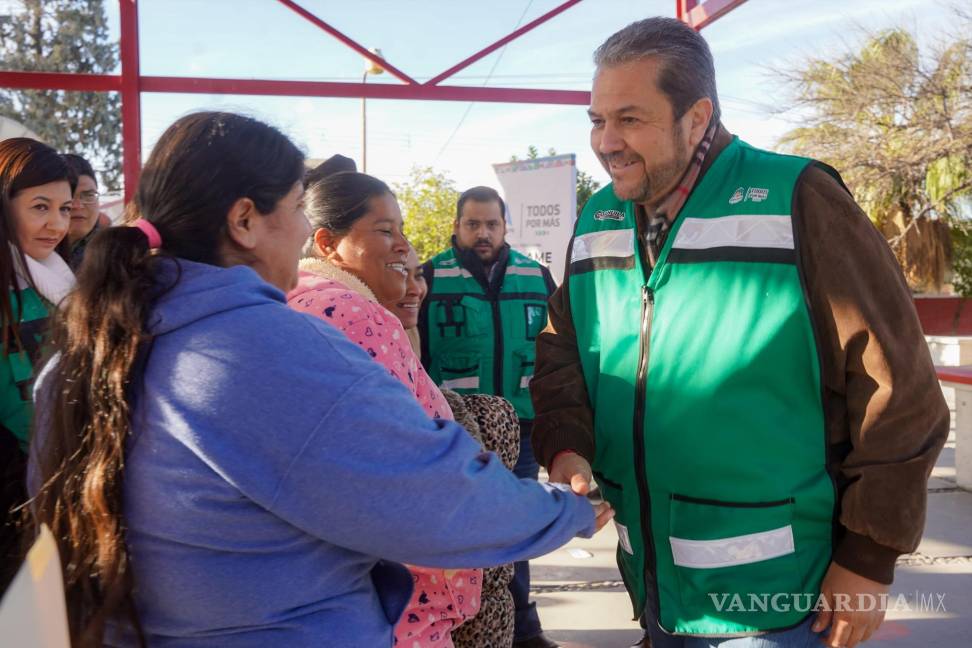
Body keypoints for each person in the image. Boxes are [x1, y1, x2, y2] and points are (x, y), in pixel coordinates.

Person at [26, 111, 612, 648]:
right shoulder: (265, 350)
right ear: (246, 220)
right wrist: (565, 511)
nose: (306, 232)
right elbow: (431, 497)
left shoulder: (87, 346)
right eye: (300, 208)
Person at [529, 17, 949, 648]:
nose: (606, 142)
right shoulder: (599, 215)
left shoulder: (798, 198)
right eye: (596, 120)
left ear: (696, 117)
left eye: (630, 119)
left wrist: (867, 560)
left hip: (780, 602)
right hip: (653, 585)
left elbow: (900, 389)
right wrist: (566, 446)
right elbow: (563, 350)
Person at [287, 171, 478, 646]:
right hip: (397, 595)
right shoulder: (354, 314)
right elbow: (409, 460)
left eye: (402, 231)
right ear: (329, 243)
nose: (401, 246)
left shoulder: (296, 302)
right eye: (384, 231)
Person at [419, 186, 558, 648]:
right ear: (456, 227)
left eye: (492, 224)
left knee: (512, 531)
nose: (483, 233)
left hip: (521, 431)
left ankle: (522, 630)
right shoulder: (427, 279)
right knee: (458, 538)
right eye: (473, 224)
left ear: (505, 227)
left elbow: (559, 356)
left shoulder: (537, 277)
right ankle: (457, 630)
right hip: (454, 435)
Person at [382, 247, 520, 648]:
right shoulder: (369, 345)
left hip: (474, 585)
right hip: (428, 593)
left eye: (416, 275)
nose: (414, 289)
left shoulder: (405, 335)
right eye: (399, 273)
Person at [0, 138, 74, 593]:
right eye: (40, 207)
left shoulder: (56, 277)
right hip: (17, 488)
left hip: (52, 477)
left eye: (64, 209)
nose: (56, 225)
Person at [61, 154, 102, 270]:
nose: (78, 205)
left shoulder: (116, 257)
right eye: (70, 195)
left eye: (88, 195)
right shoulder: (25, 259)